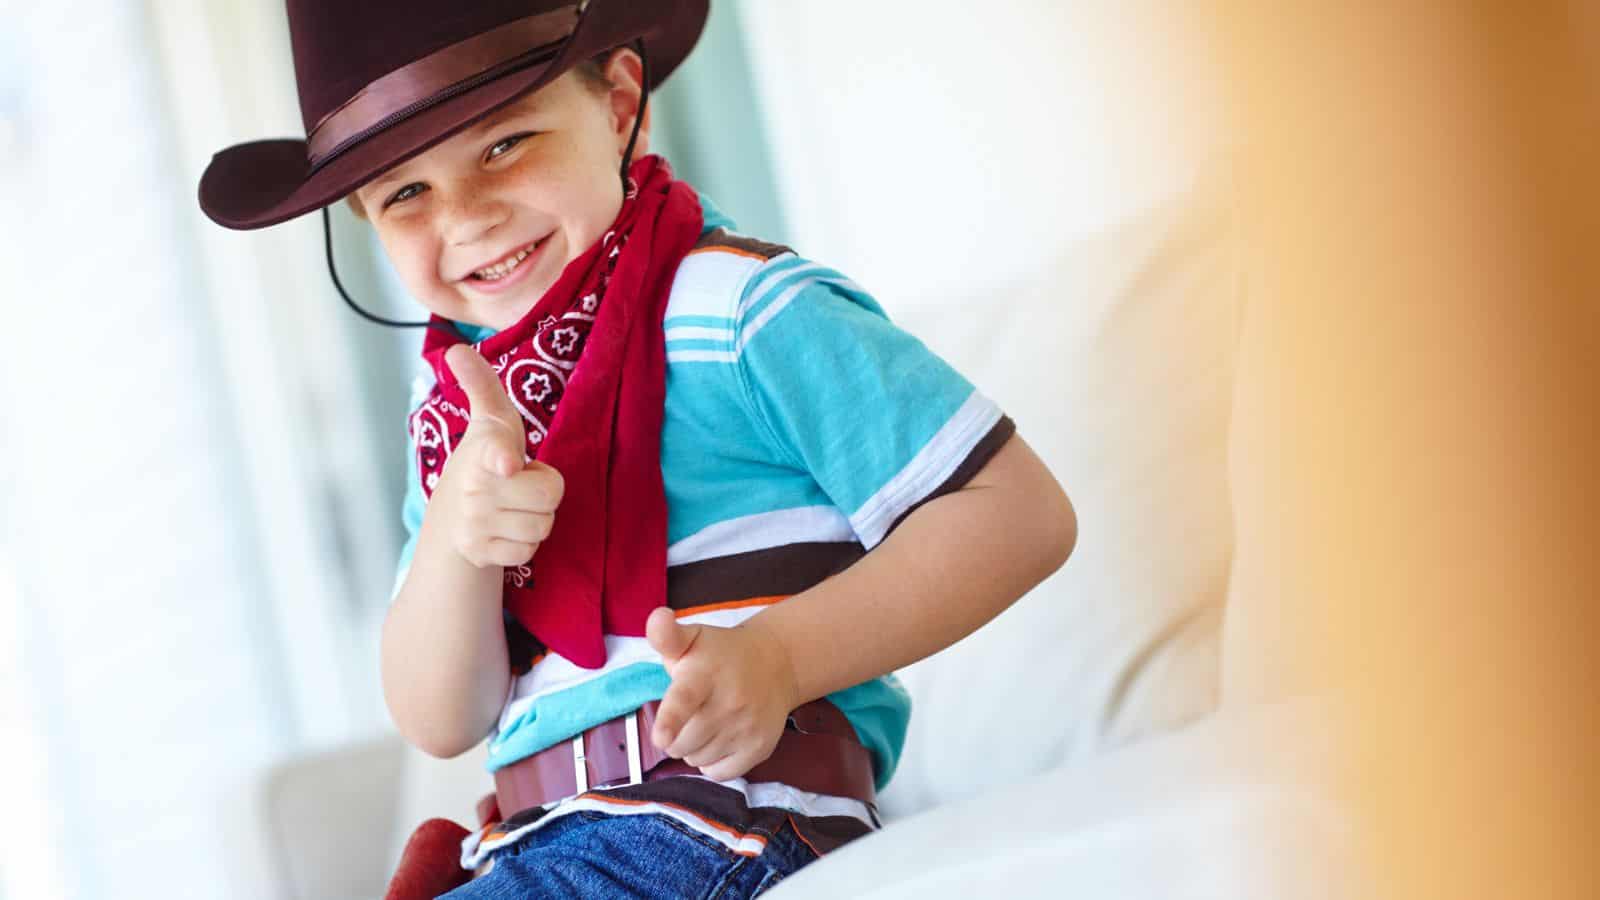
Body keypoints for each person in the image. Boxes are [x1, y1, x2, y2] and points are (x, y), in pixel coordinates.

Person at [198, 1, 1076, 896]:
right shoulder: (458, 407)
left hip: (725, 812)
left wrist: (780, 658)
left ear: (619, 104)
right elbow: (440, 717)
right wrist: (457, 543)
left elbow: (1020, 514)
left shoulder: (739, 308)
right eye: (405, 192)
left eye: (505, 143)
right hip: (537, 839)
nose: (466, 216)